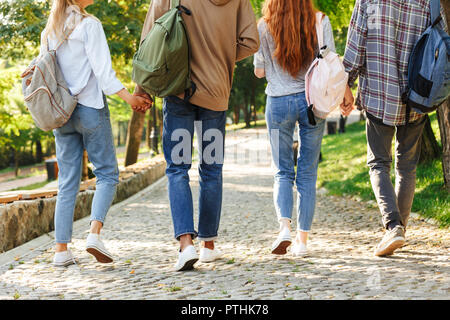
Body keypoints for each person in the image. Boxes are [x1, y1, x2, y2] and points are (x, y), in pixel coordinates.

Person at [136, 0, 259, 271]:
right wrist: (222, 53)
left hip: (179, 89)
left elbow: (150, 40)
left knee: (178, 168)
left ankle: (186, 244)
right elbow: (251, 42)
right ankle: (209, 246)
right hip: (216, 94)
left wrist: (141, 88)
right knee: (211, 169)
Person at [41, 0, 151, 267]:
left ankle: (61, 251)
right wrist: (131, 100)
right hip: (90, 109)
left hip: (62, 115)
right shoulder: (90, 25)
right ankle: (94, 235)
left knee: (67, 181)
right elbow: (104, 74)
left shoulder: (49, 31)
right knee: (107, 174)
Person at [341, 0, 447, 256]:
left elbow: (356, 45)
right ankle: (398, 230)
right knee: (406, 166)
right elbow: (441, 40)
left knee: (378, 163)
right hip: (417, 94)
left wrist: (346, 83)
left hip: (379, 91)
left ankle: (393, 227)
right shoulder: (429, 1)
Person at [254, 0, 341, 257]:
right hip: (311, 101)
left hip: (277, 103)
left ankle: (284, 228)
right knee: (307, 172)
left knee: (282, 170)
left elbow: (259, 72)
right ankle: (302, 242)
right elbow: (332, 61)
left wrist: (272, 64)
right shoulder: (319, 21)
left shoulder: (263, 26)